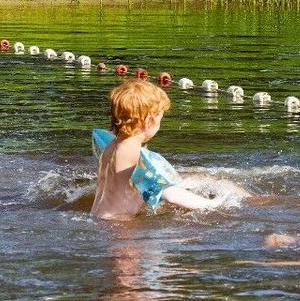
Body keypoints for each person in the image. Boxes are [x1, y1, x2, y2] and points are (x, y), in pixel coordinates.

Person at [91, 80, 227, 219]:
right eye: (160, 119)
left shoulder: (111, 147)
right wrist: (212, 203)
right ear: (149, 121)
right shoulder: (132, 151)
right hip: (119, 223)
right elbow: (168, 193)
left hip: (98, 216)